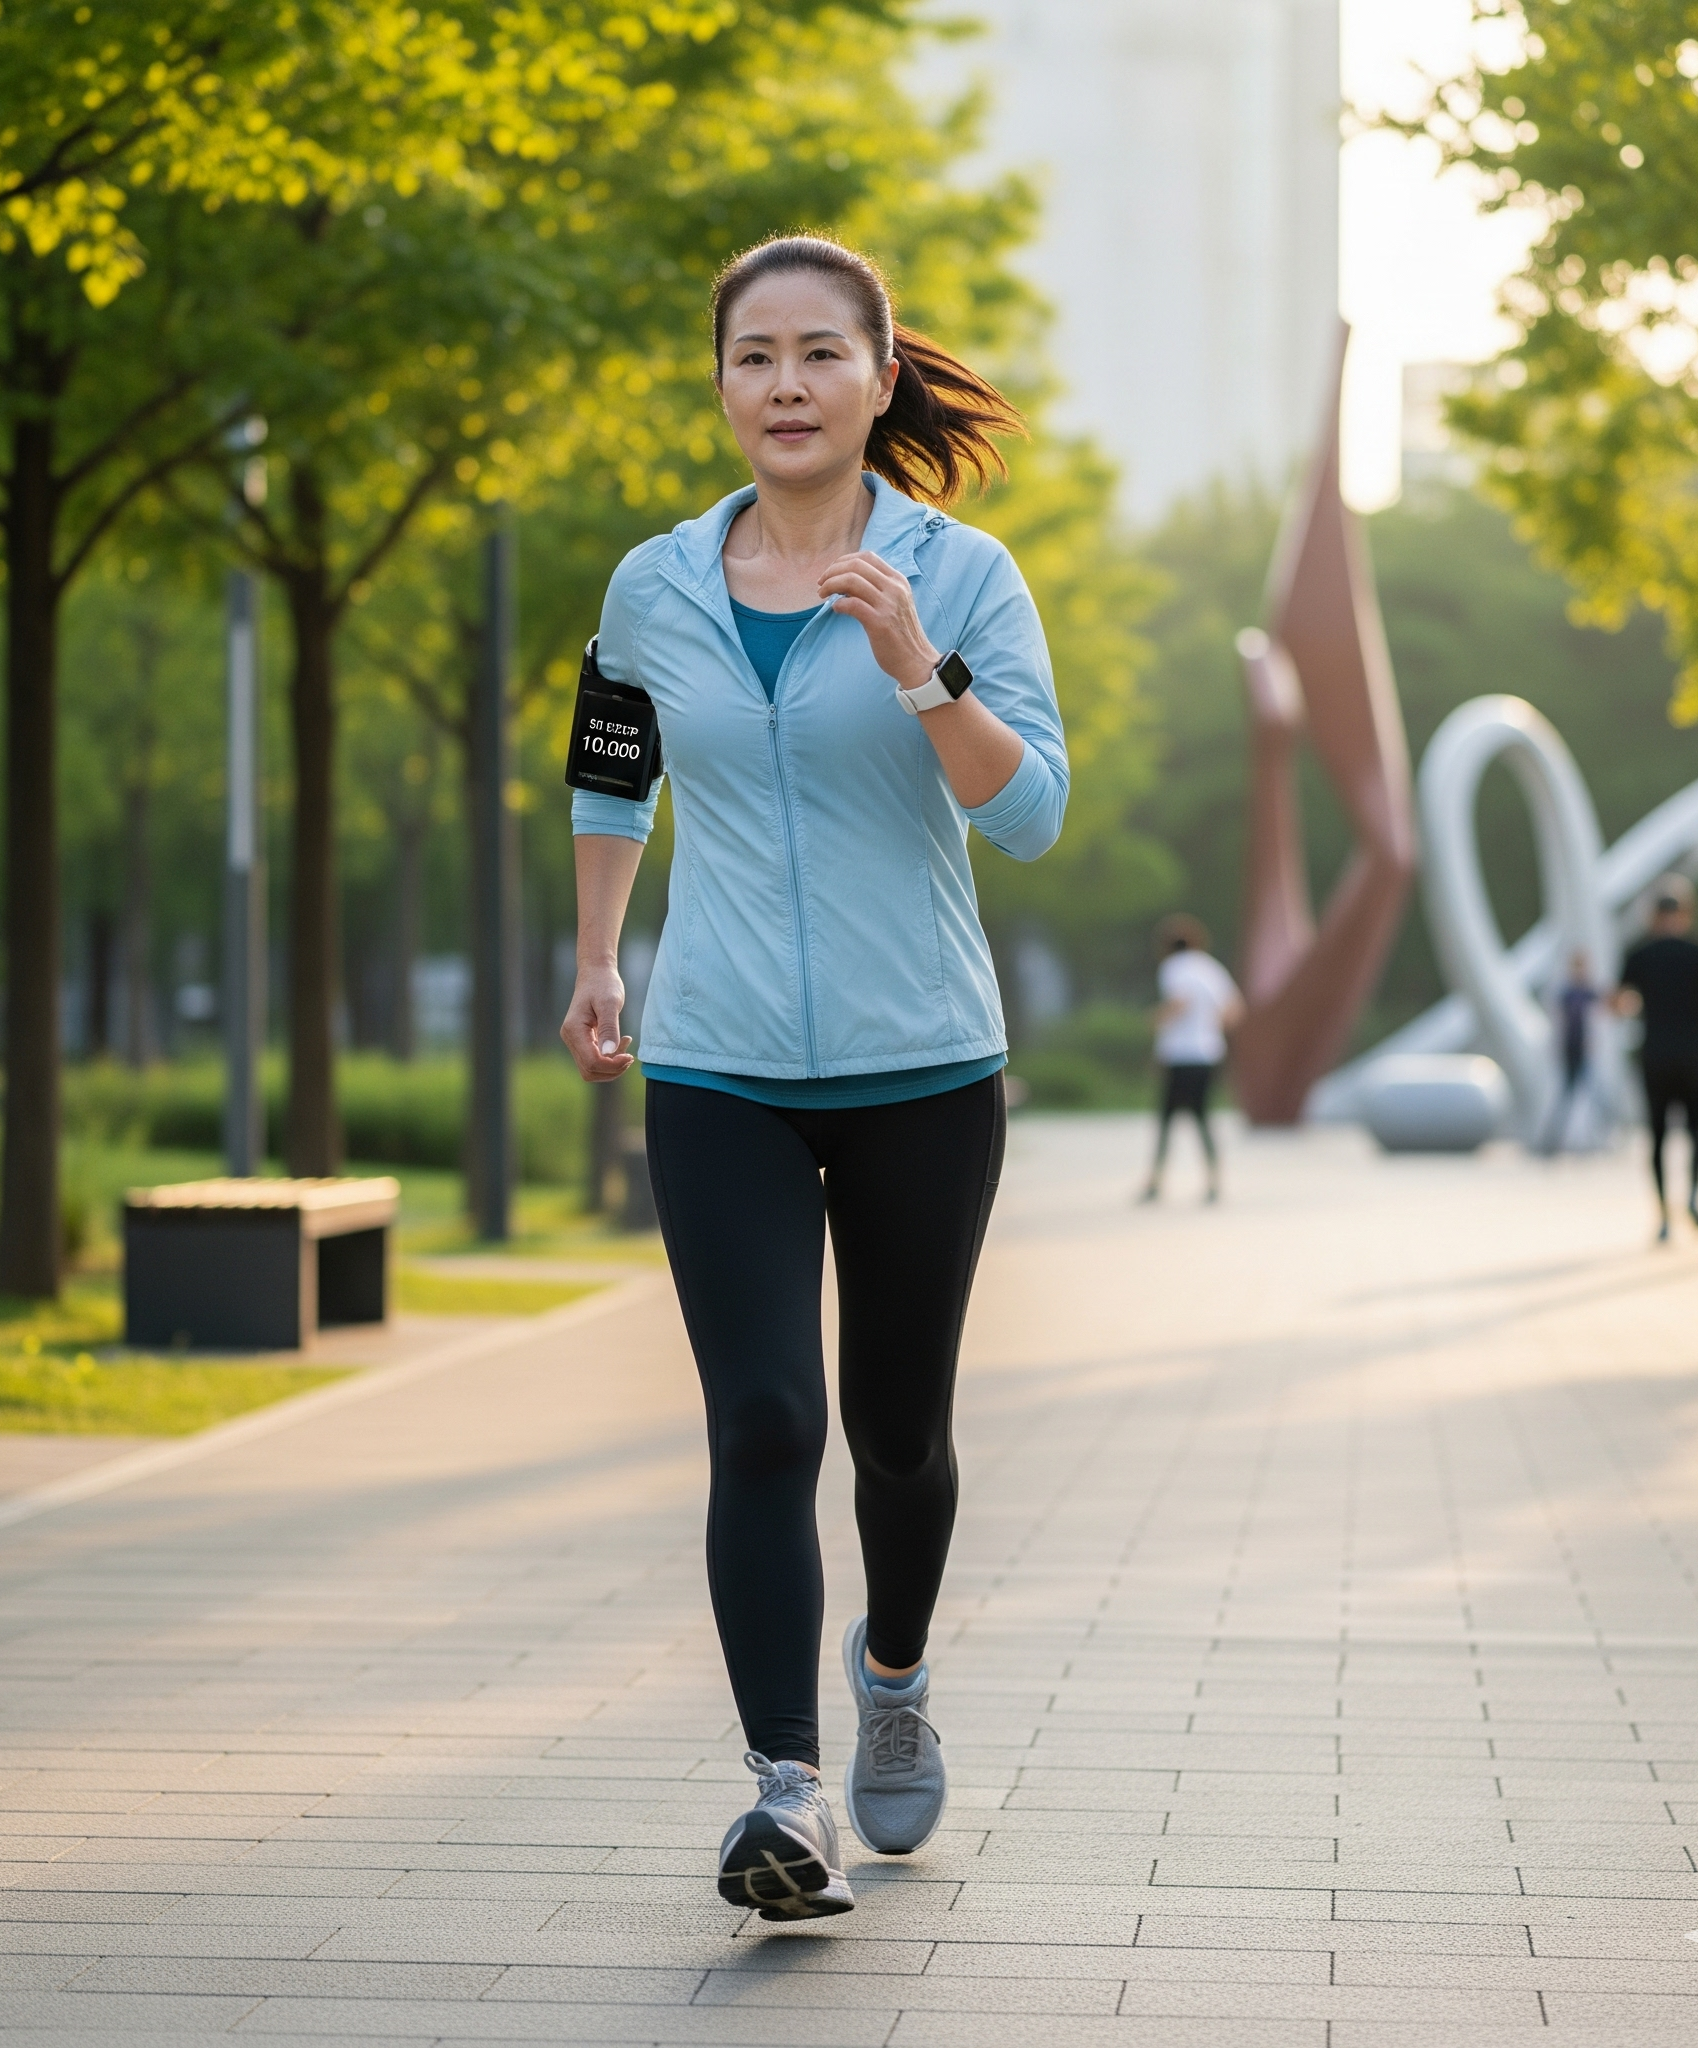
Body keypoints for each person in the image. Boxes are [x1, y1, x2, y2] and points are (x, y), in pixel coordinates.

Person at [559, 234, 1066, 1921]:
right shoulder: (652, 582)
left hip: (924, 1056)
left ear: (875, 375)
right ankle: (783, 1789)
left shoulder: (962, 569)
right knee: (763, 1416)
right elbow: (613, 771)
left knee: (895, 1431)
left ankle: (896, 1668)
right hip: (715, 1063)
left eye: (816, 356)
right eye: (751, 357)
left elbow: (1031, 810)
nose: (782, 385)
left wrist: (920, 665)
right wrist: (593, 961)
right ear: (721, 384)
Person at [1614, 877, 1698, 1240]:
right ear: (1686, 913)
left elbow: (1619, 1003)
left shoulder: (1640, 953)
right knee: (1697, 1132)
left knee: (1656, 1136)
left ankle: (1664, 1214)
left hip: (1655, 1055)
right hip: (1693, 1055)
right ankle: (1693, 1199)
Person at [1140, 914, 1242, 1205]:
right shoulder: (1210, 968)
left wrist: (1157, 1019)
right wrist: (1209, 1029)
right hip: (1208, 1054)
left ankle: (1155, 1181)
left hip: (1179, 1055)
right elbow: (1234, 1009)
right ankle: (1213, 1180)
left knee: (1166, 1118)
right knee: (1202, 1117)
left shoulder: (1173, 967)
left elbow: (1180, 1001)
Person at [1537, 949, 1601, 1156]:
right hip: (1571, 1050)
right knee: (1570, 1095)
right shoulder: (1569, 994)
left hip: (1582, 1050)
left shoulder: (1587, 992)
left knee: (1589, 1095)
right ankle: (1552, 1141)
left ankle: (1588, 1140)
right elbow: (1563, 1024)